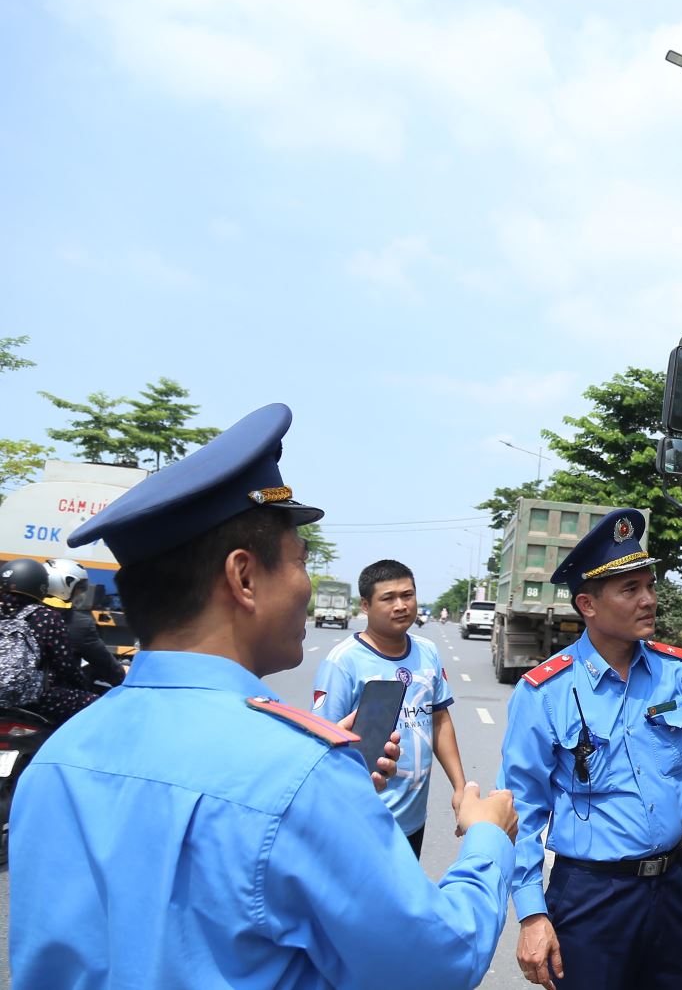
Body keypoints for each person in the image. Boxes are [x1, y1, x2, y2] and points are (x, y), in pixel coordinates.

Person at [9, 403, 521, 990]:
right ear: (244, 577)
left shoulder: (58, 756)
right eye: (301, 562)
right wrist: (487, 838)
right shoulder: (302, 774)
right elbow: (437, 963)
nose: (307, 588)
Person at [498, 508, 682, 990]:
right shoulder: (546, 692)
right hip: (592, 898)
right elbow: (521, 810)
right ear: (587, 604)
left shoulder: (677, 675)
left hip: (673, 890)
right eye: (630, 590)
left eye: (649, 585)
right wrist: (532, 915)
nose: (649, 600)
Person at [312, 558, 464, 858]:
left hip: (413, 820)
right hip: (362, 822)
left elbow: (439, 720)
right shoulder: (343, 662)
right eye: (388, 598)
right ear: (365, 606)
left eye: (407, 595)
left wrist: (459, 786)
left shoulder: (427, 652)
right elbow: (321, 743)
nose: (401, 606)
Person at [0, 557, 100, 722]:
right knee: (96, 705)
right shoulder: (45, 617)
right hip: (33, 700)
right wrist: (83, 687)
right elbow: (66, 665)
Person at [44, 556, 125, 690]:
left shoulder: (23, 613)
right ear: (63, 586)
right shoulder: (78, 623)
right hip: (56, 695)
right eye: (80, 589)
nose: (82, 594)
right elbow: (108, 668)